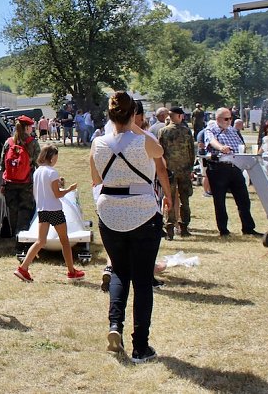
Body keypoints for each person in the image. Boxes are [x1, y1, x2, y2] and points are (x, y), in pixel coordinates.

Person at [91, 91, 171, 364]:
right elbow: (159, 152)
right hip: (142, 213)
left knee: (119, 272)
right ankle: (141, 347)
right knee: (142, 281)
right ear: (132, 113)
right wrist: (134, 125)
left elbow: (95, 178)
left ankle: (115, 326)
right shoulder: (142, 141)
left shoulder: (98, 143)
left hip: (110, 211)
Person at [13, 144, 83, 282]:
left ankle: (23, 268)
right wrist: (69, 189)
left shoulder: (37, 171)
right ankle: (71, 271)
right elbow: (57, 194)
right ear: (51, 157)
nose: (56, 160)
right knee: (65, 241)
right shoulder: (52, 172)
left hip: (42, 210)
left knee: (40, 241)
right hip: (55, 210)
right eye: (56, 157)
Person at [204, 108, 260, 237]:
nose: (229, 121)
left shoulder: (233, 131)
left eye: (230, 118)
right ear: (218, 119)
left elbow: (240, 145)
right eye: (226, 119)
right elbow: (212, 141)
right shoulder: (211, 130)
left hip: (235, 167)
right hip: (218, 168)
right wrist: (221, 147)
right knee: (220, 201)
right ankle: (223, 230)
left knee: (244, 199)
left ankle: (248, 228)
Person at [0, 115, 40, 253]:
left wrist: (3, 183)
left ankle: (14, 237)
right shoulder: (32, 143)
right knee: (25, 209)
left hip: (10, 182)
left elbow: (2, 165)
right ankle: (22, 238)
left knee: (13, 209)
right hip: (26, 183)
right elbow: (38, 162)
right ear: (27, 127)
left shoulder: (8, 142)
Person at [157, 107, 196, 239]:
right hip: (184, 170)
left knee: (170, 199)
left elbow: (159, 152)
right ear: (179, 116)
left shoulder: (163, 131)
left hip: (169, 171)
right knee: (184, 200)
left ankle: (169, 230)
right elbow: (192, 151)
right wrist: (190, 167)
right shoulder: (186, 131)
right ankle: (184, 227)